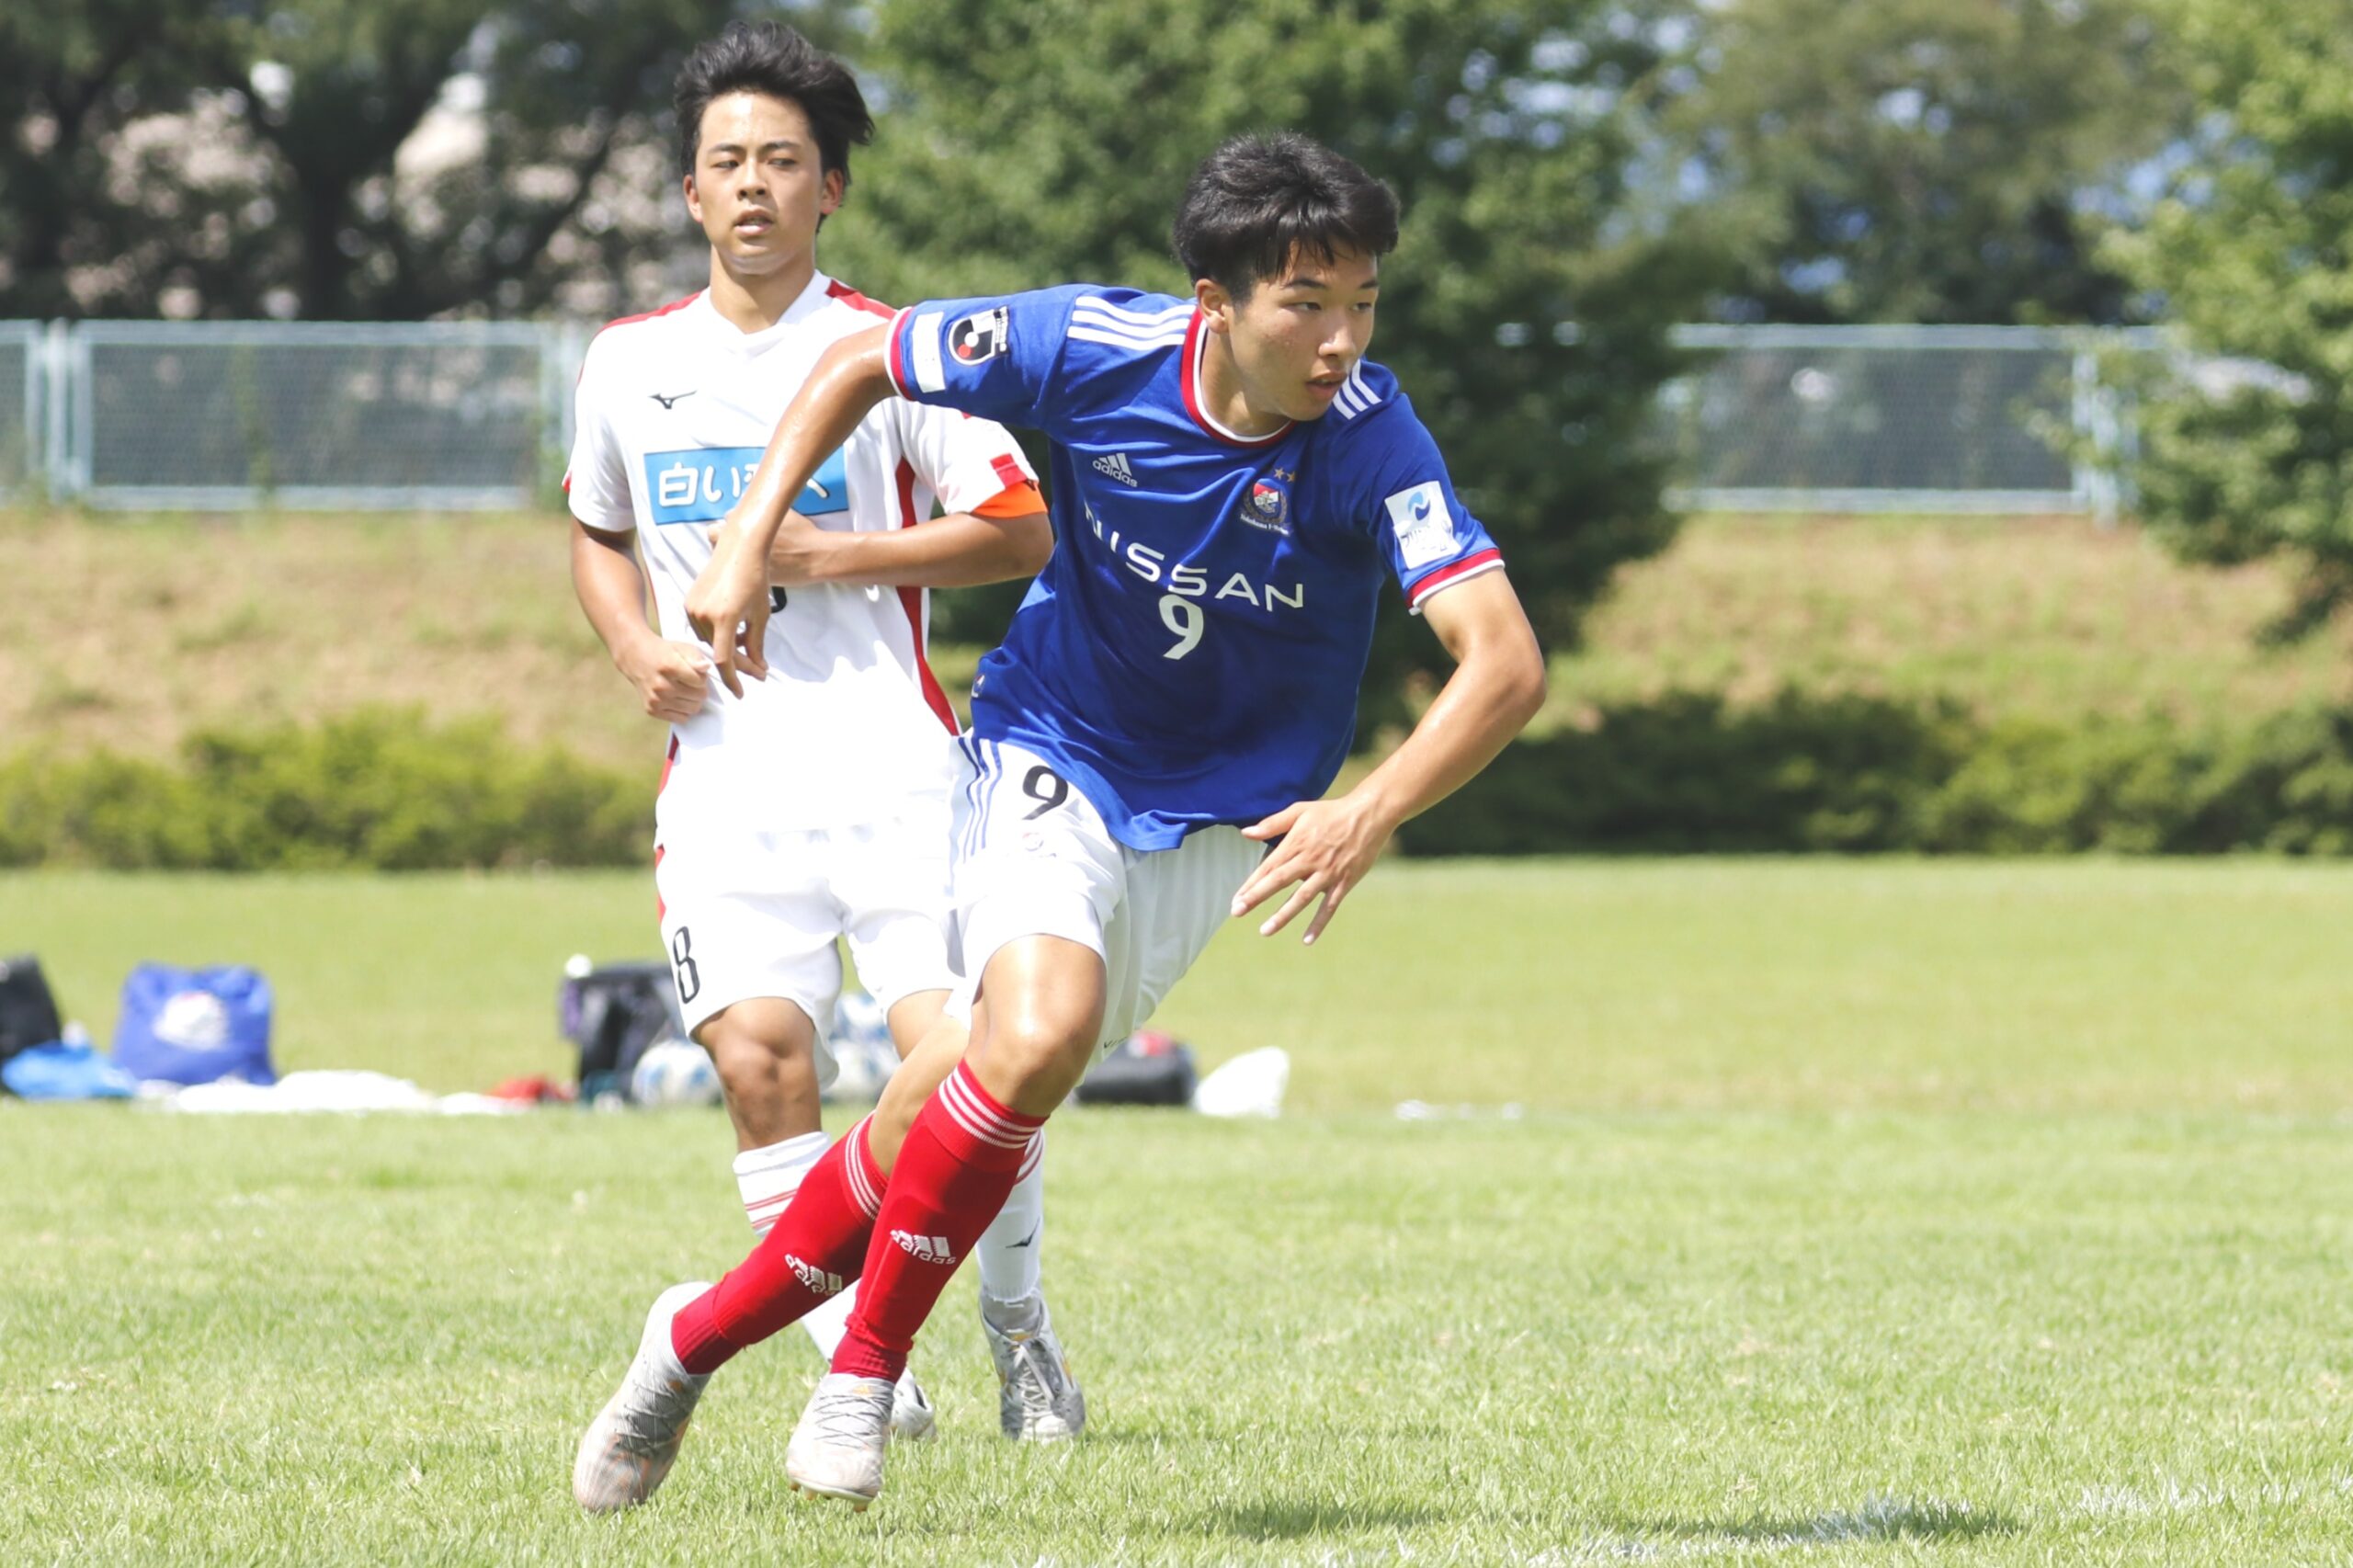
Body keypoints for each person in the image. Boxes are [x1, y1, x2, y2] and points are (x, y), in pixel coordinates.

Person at [590, 129, 1548, 1510]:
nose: (1340, 341)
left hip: (1222, 819)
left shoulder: (1370, 435)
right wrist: (747, 534)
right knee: (1036, 1031)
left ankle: (688, 1341)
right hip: (1052, 749)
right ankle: (862, 1372)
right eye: (1305, 304)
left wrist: (1371, 808)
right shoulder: (1091, 344)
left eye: (1363, 304)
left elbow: (1502, 658)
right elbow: (865, 355)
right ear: (1216, 301)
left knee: (961, 1086)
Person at [563, 22, 1086, 1514]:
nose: (752, 187)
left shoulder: (886, 349)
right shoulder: (627, 364)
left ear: (830, 189)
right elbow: (597, 532)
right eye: (725, 162)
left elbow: (1018, 526)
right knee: (760, 1062)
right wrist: (629, 644)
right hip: (725, 786)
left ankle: (1017, 1326)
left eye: (781, 162)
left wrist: (827, 552)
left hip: (902, 775)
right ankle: (863, 1363)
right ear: (685, 191)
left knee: (971, 1066)